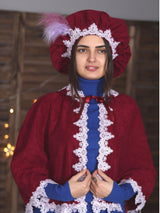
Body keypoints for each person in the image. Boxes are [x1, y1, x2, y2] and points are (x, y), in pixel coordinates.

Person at [11, 10, 156, 213]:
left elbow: (142, 167)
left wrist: (118, 193)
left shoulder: (126, 107)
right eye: (82, 50)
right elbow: (26, 164)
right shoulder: (47, 106)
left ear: (111, 55)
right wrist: (61, 192)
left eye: (100, 50)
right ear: (70, 54)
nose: (91, 58)